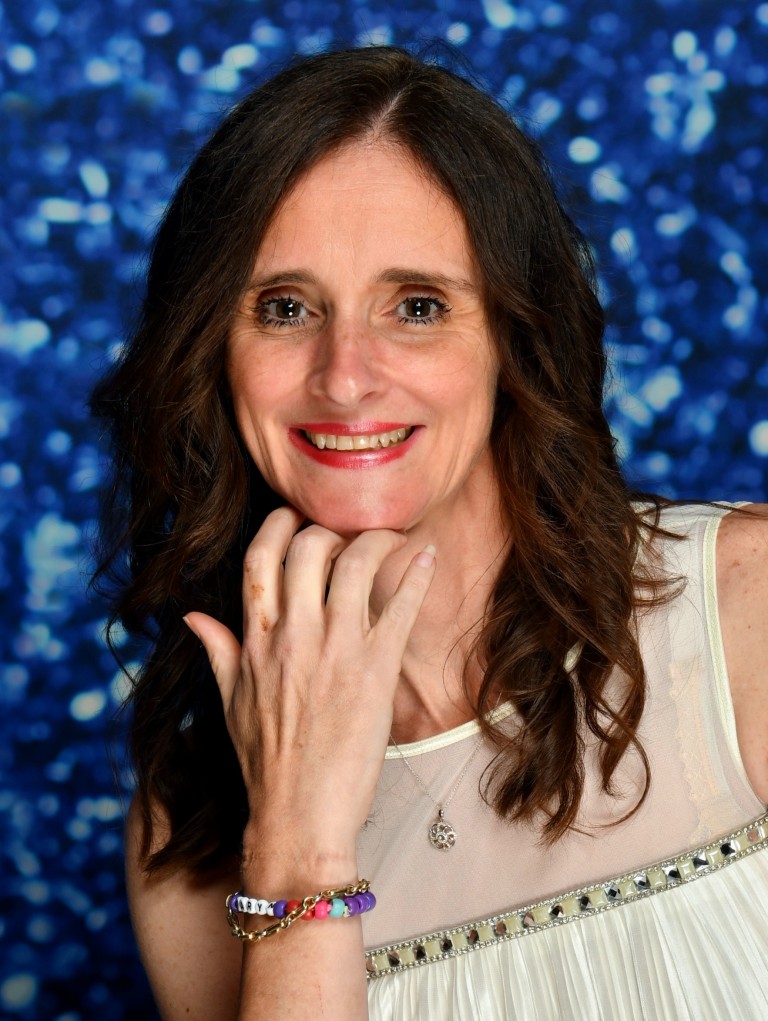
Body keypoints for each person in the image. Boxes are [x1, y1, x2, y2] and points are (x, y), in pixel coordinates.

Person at [91, 45, 768, 1020]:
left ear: (514, 338)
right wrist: (295, 846)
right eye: (285, 308)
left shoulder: (749, 608)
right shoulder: (189, 823)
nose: (345, 376)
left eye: (416, 307)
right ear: (212, 352)